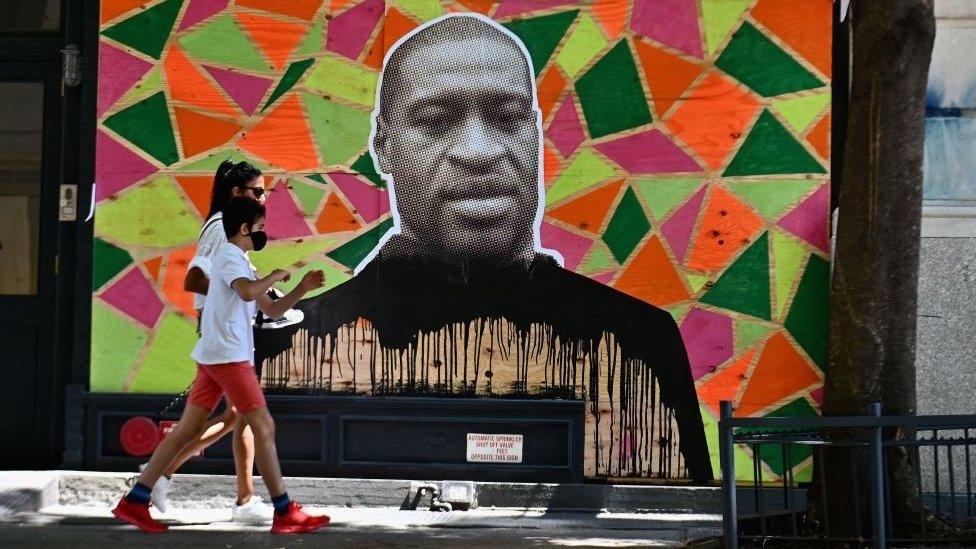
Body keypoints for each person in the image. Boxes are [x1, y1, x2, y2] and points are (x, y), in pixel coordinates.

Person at [266, 14, 712, 481]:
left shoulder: (640, 341)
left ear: (535, 138)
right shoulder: (288, 347)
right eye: (436, 121)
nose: (478, 150)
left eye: (506, 118)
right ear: (384, 146)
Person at [113, 198, 330, 534]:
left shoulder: (241, 261)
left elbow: (271, 309)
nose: (263, 234)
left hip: (216, 355)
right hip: (229, 357)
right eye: (259, 228)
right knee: (265, 427)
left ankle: (136, 500)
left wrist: (301, 287)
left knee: (187, 430)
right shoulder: (228, 256)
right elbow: (245, 293)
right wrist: (274, 274)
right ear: (244, 229)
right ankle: (285, 511)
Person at [138, 161, 277, 523]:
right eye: (258, 191)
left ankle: (160, 476)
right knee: (248, 418)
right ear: (238, 193)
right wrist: (236, 292)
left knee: (234, 416)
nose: (264, 198)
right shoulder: (220, 226)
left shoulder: (228, 228)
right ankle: (246, 500)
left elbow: (229, 279)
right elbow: (196, 278)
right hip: (222, 337)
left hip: (227, 334)